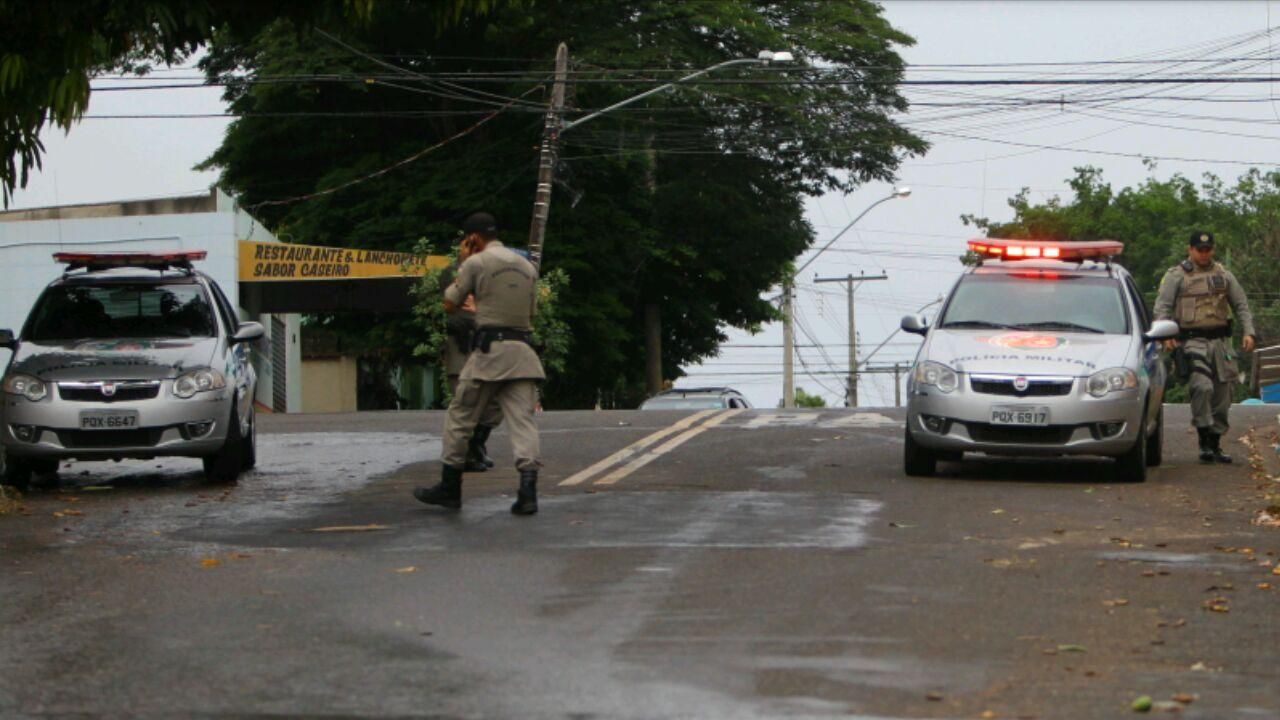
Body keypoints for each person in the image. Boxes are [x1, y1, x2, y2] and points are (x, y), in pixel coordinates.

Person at [414, 212, 545, 514]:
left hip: (489, 351)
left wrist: (463, 262)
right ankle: (528, 491)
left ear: (472, 238)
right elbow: (532, 312)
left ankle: (450, 487)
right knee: (522, 421)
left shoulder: (475, 263)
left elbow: (449, 303)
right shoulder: (528, 267)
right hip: (523, 352)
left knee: (460, 415)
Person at [1153, 231, 1257, 463]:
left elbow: (1240, 304)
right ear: (1190, 250)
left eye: (1208, 249)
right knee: (1202, 387)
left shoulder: (1224, 275)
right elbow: (1162, 308)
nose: (1204, 253)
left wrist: (1249, 331)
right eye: (1199, 250)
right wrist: (1166, 333)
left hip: (1220, 342)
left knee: (1223, 394)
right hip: (1192, 341)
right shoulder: (1176, 276)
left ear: (1213, 249)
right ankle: (1203, 437)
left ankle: (1215, 441)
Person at [439, 261, 502, 472]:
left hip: (487, 342)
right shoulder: (452, 272)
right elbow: (451, 304)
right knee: (464, 400)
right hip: (461, 341)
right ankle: (463, 456)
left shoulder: (492, 270)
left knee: (495, 400)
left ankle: (476, 445)